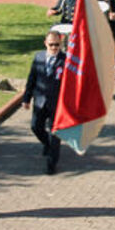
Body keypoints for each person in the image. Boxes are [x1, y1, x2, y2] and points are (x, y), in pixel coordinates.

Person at [22, 31, 66, 175]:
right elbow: (32, 78)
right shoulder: (38, 57)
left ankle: (51, 164)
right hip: (40, 101)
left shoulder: (66, 60)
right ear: (45, 43)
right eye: (51, 45)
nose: (54, 48)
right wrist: (26, 99)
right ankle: (47, 143)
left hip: (57, 104)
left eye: (57, 45)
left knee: (55, 134)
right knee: (35, 126)